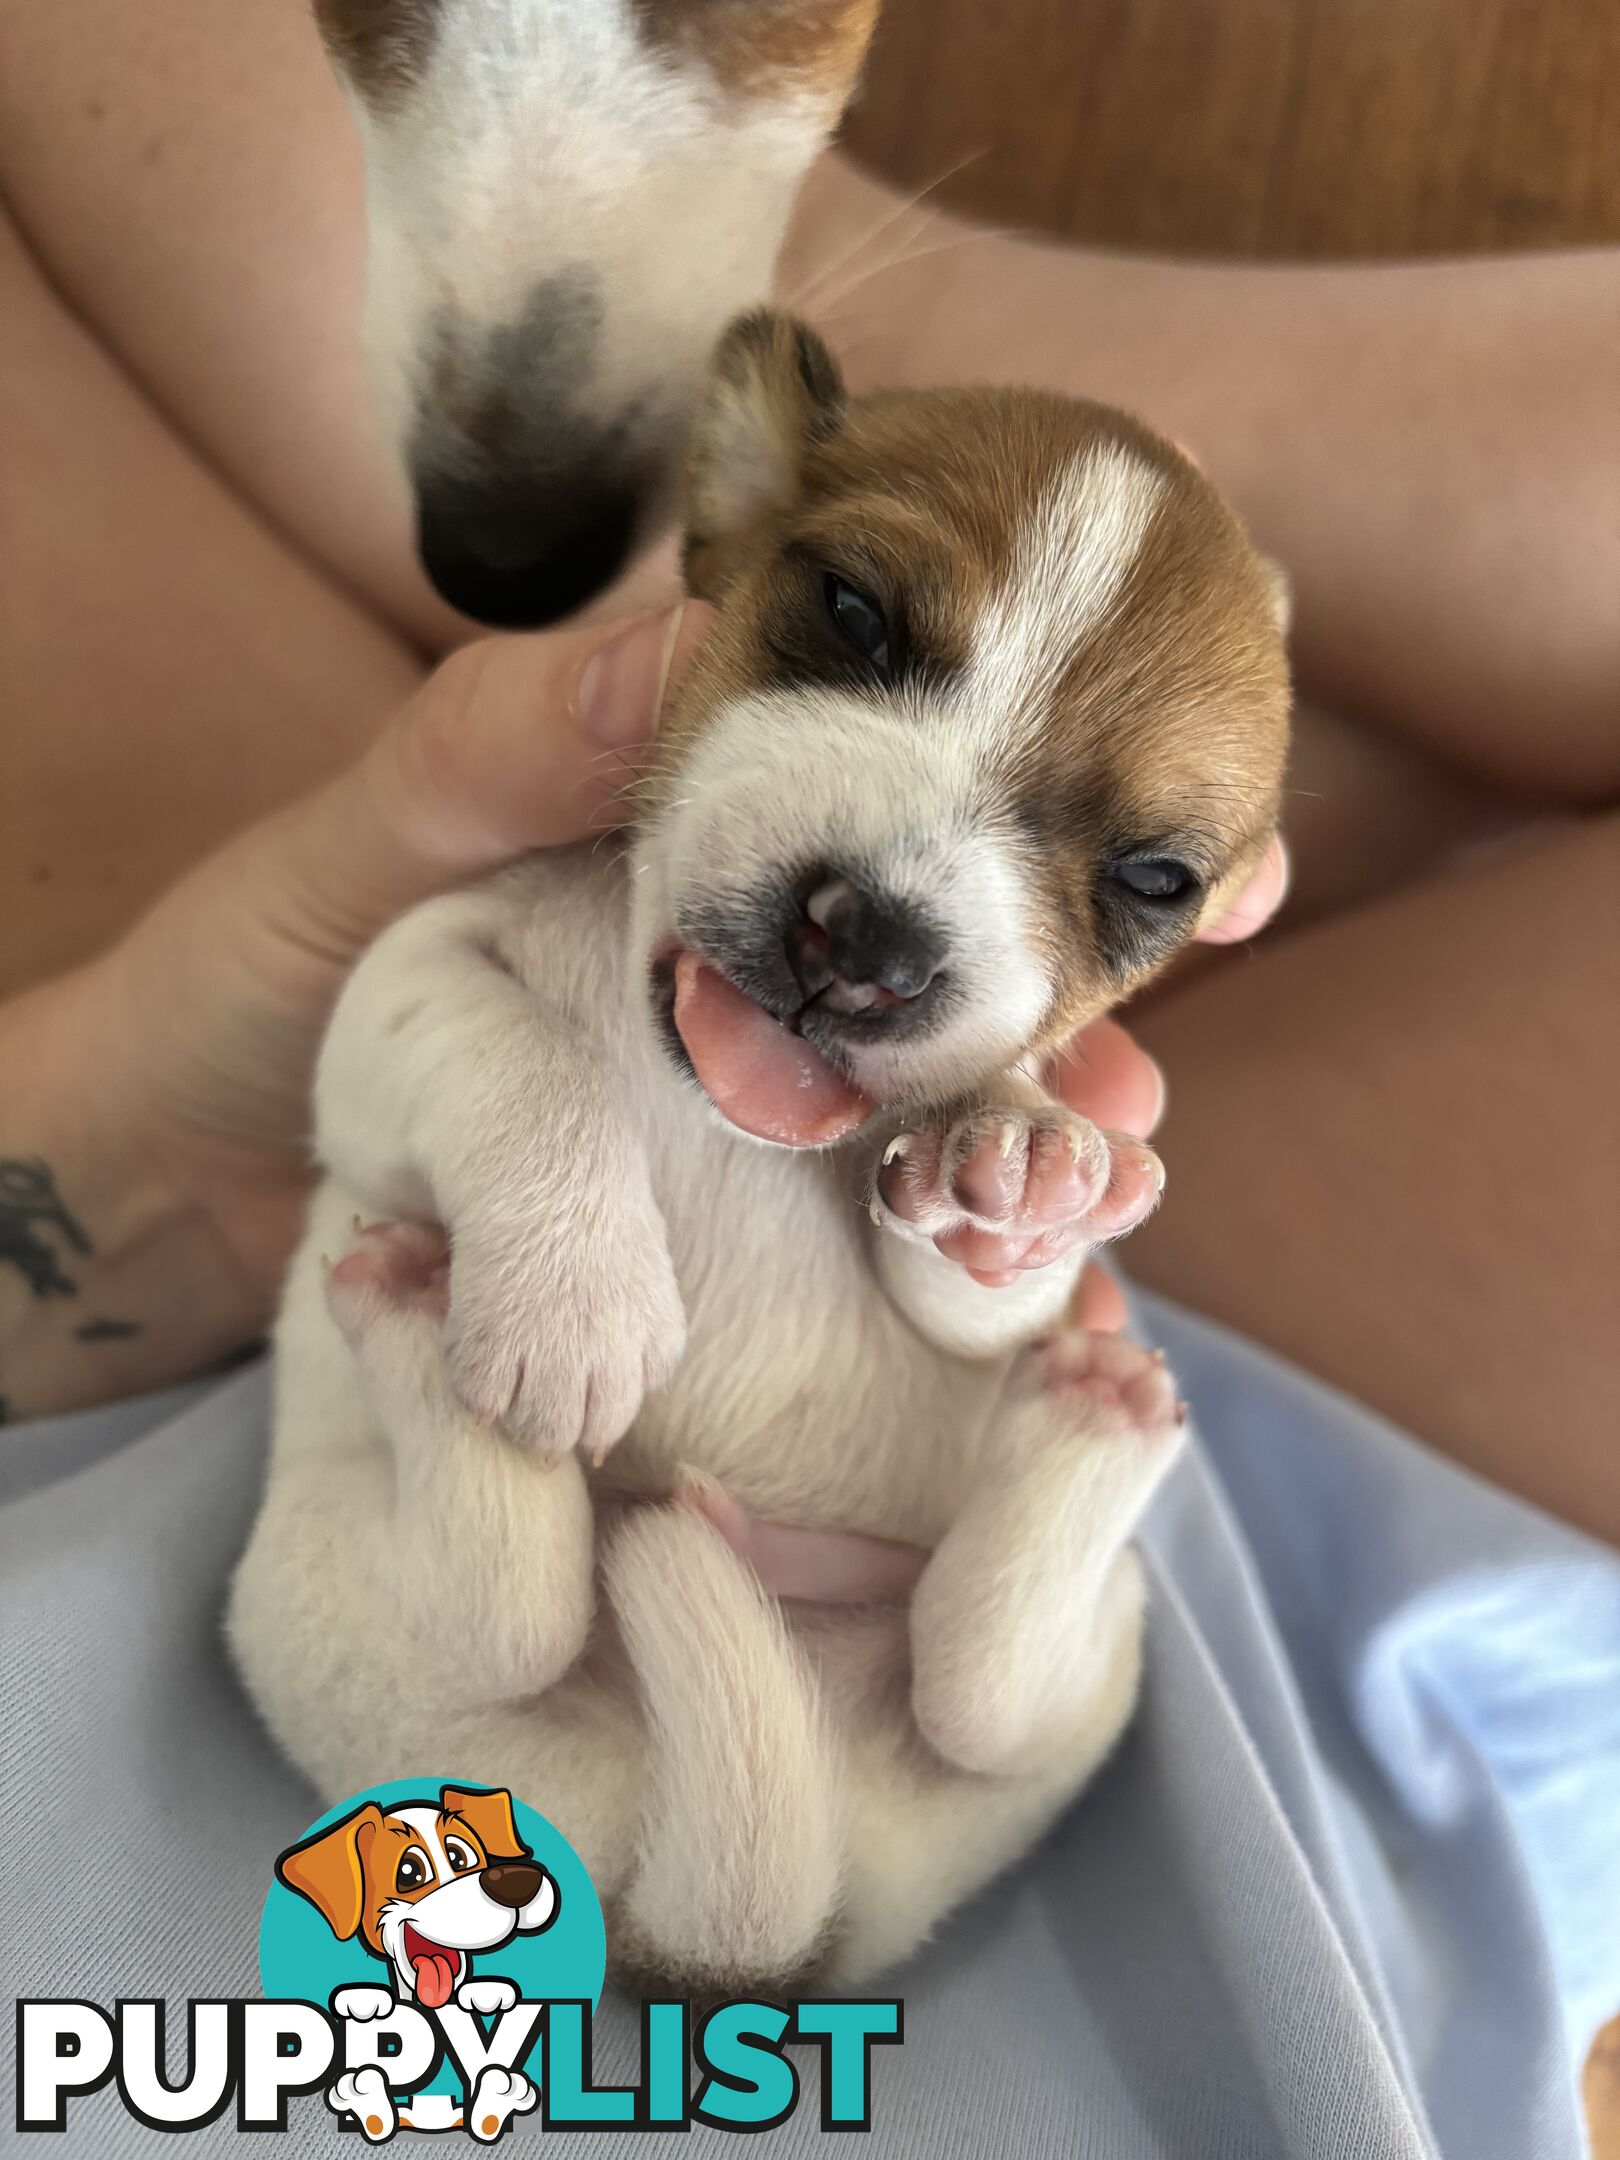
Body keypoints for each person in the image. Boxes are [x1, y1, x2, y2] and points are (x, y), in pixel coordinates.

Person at [0, 9, 1615, 2156]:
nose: (879, 918)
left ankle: (885, 421)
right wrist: (1001, 1258)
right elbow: (987, 1343)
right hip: (1234, 1737)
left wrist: (128, 1197)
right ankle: (914, 412)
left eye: (1132, 874)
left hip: (162, 1450)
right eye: (856, 620)